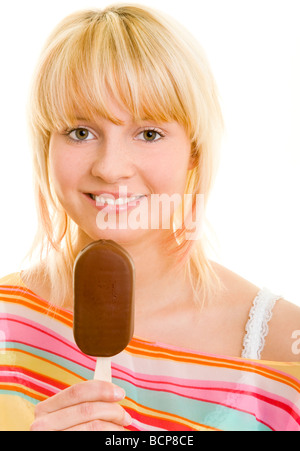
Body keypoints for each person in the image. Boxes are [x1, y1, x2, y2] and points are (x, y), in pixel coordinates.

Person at [0, 4, 299, 432]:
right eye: (80, 132)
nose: (110, 167)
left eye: (149, 133)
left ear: (194, 149)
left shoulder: (285, 351)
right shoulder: (5, 320)